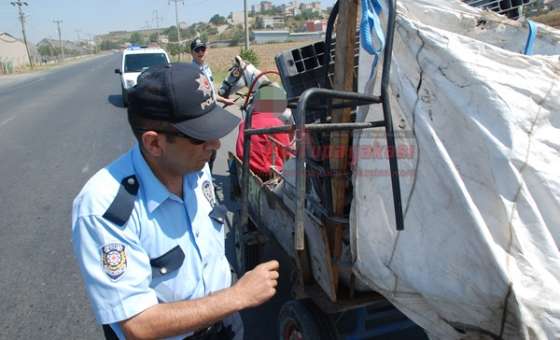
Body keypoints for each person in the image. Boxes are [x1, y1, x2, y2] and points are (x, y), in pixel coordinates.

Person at [72, 63, 279, 340]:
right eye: (200, 137)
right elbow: (137, 324)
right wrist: (237, 296)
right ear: (154, 144)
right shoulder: (103, 207)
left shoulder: (195, 166)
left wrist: (228, 305)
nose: (216, 144)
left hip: (225, 324)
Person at [236, 86, 293, 180]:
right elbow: (286, 152)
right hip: (269, 174)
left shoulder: (244, 123)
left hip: (247, 169)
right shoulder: (276, 123)